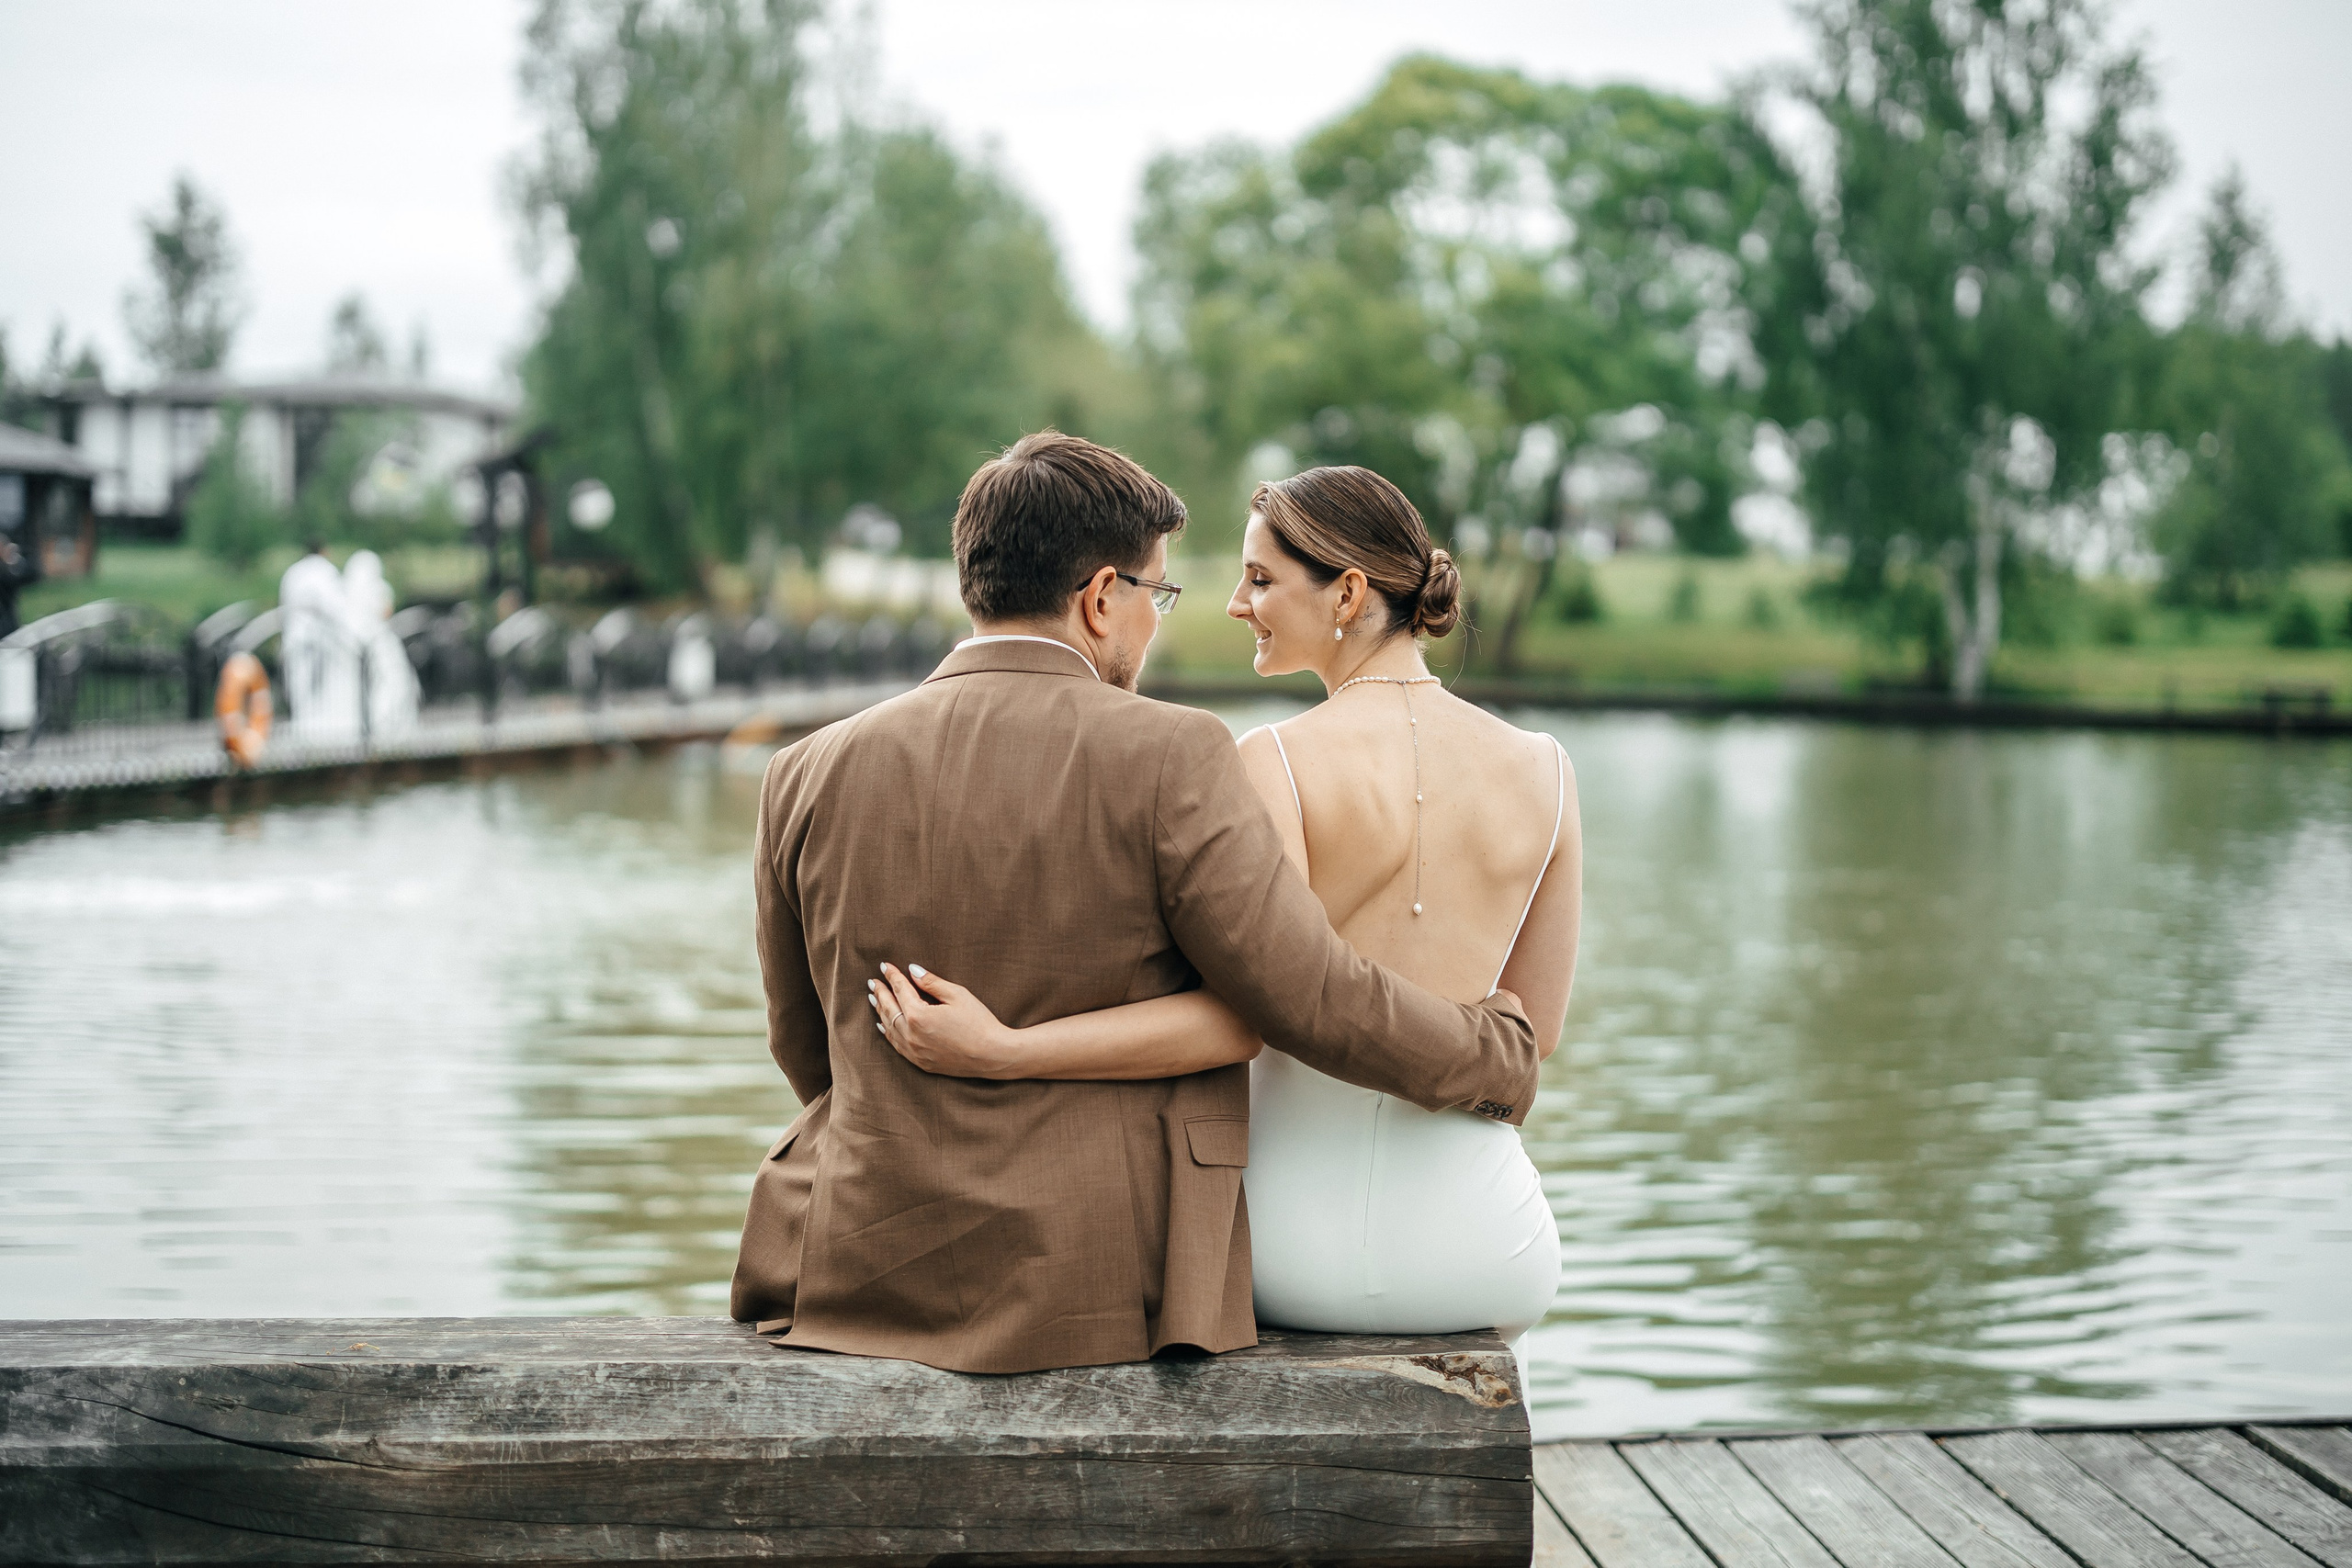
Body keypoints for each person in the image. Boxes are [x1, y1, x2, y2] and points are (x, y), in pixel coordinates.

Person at [730, 433, 1543, 1375]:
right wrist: (1493, 1057)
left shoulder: (801, 772)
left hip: (854, 1263)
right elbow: (1308, 994)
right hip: (1094, 1278)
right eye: (1157, 594)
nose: (1156, 622)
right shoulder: (1171, 754)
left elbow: (804, 1044)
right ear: (1100, 597)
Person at [278, 539, 359, 740]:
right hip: (320, 641)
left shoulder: (293, 572)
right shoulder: (324, 571)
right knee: (319, 690)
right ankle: (315, 730)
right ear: (324, 551)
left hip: (294, 637)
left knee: (298, 685)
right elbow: (335, 608)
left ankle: (301, 727)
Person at [340, 549, 420, 735]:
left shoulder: (345, 593)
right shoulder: (379, 588)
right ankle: (389, 725)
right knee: (392, 684)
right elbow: (386, 612)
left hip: (353, 647)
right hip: (380, 645)